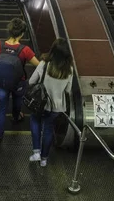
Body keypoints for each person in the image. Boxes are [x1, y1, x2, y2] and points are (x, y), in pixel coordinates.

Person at [0, 18, 40, 144]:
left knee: (1, 108)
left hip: (1, 82)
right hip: (18, 82)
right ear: (22, 34)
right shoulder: (25, 50)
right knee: (18, 102)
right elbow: (38, 65)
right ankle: (16, 116)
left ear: (9, 31)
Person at [28, 39, 73, 167]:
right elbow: (68, 90)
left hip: (40, 104)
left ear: (52, 50)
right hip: (57, 107)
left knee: (35, 120)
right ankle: (44, 159)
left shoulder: (44, 64)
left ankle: (36, 151)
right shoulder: (69, 70)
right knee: (48, 129)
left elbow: (31, 81)